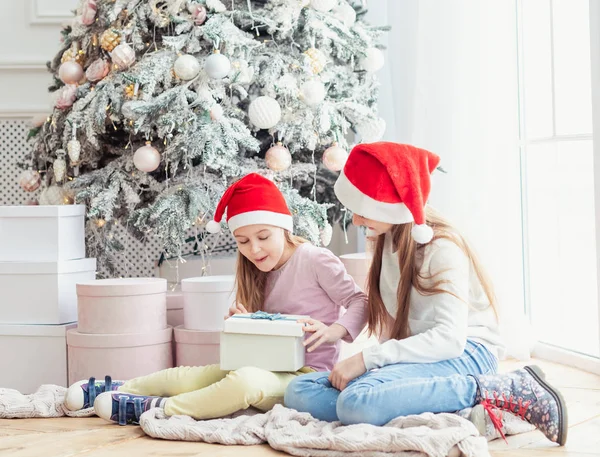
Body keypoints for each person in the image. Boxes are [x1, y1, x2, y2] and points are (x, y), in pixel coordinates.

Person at [284, 142, 568, 446]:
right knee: (299, 391)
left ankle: (506, 388)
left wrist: (369, 360)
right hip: (424, 357)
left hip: (467, 354)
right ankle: (455, 411)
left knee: (356, 403)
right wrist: (380, 370)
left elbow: (449, 339)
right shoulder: (386, 238)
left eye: (362, 211)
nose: (355, 220)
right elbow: (396, 330)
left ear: (387, 205)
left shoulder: (441, 247)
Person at [64, 173, 367, 425]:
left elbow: (360, 301)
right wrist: (244, 321)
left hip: (307, 377)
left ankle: (157, 409)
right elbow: (268, 329)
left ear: (284, 228)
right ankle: (121, 388)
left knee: (245, 383)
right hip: (263, 363)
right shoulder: (255, 270)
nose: (255, 249)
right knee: (194, 375)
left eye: (263, 237)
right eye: (243, 241)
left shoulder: (315, 259)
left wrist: (335, 331)